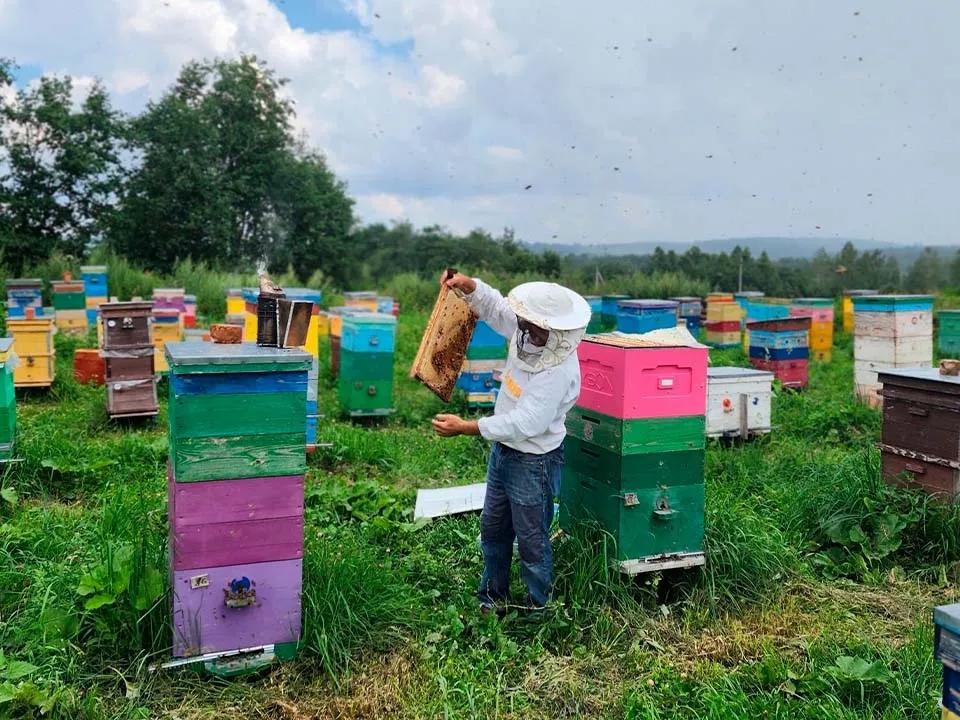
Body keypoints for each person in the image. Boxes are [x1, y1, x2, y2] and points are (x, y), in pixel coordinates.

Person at [431, 272, 591, 616]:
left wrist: (467, 427)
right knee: (493, 527)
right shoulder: (529, 332)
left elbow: (526, 423)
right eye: (526, 323)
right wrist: (471, 286)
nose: (525, 329)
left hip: (535, 461)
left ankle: (537, 608)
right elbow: (499, 310)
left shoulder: (558, 369)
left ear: (556, 331)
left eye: (533, 326)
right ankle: (493, 596)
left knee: (532, 539)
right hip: (504, 451)